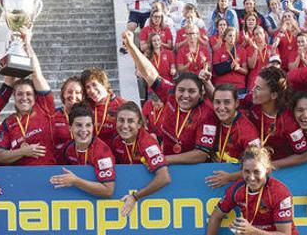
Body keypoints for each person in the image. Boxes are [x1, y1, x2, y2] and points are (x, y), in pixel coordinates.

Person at [123, 31, 216, 163]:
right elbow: (149, 73)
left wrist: (164, 159)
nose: (185, 95)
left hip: (194, 170)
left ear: (201, 94)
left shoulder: (207, 113)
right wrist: (132, 46)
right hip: (168, 164)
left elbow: (200, 154)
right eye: (181, 90)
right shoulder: (171, 93)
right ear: (175, 89)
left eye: (191, 91)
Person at [0, 34, 57, 165]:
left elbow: (36, 74)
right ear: (14, 96)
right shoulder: (8, 122)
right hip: (19, 178)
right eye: (20, 94)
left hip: (48, 173)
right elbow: (0, 156)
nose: (24, 98)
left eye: (29, 94)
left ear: (35, 97)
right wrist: (23, 152)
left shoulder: (44, 109)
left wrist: (27, 43)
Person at [110, 102, 171, 216]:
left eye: (131, 121)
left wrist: (135, 197)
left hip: (148, 199)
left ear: (139, 124)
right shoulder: (116, 141)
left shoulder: (147, 143)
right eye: (121, 120)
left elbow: (164, 178)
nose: (125, 125)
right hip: (126, 195)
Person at [248, 66, 307, 168]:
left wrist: (267, 166)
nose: (252, 90)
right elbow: (227, 102)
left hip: (279, 170)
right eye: (254, 86)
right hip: (256, 164)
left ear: (273, 95)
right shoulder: (252, 101)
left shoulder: (288, 121)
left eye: (258, 88)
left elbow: (304, 155)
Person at [50, 105, 116, 198]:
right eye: (78, 125)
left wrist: (75, 181)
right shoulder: (67, 148)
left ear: (93, 127)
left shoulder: (102, 152)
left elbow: (108, 191)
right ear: (70, 128)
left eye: (88, 125)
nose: (84, 130)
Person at [204, 84, 261, 189]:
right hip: (215, 178)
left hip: (239, 184)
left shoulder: (247, 131)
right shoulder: (211, 118)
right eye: (217, 102)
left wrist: (230, 177)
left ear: (236, 103)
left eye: (227, 102)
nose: (221, 108)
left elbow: (258, 165)